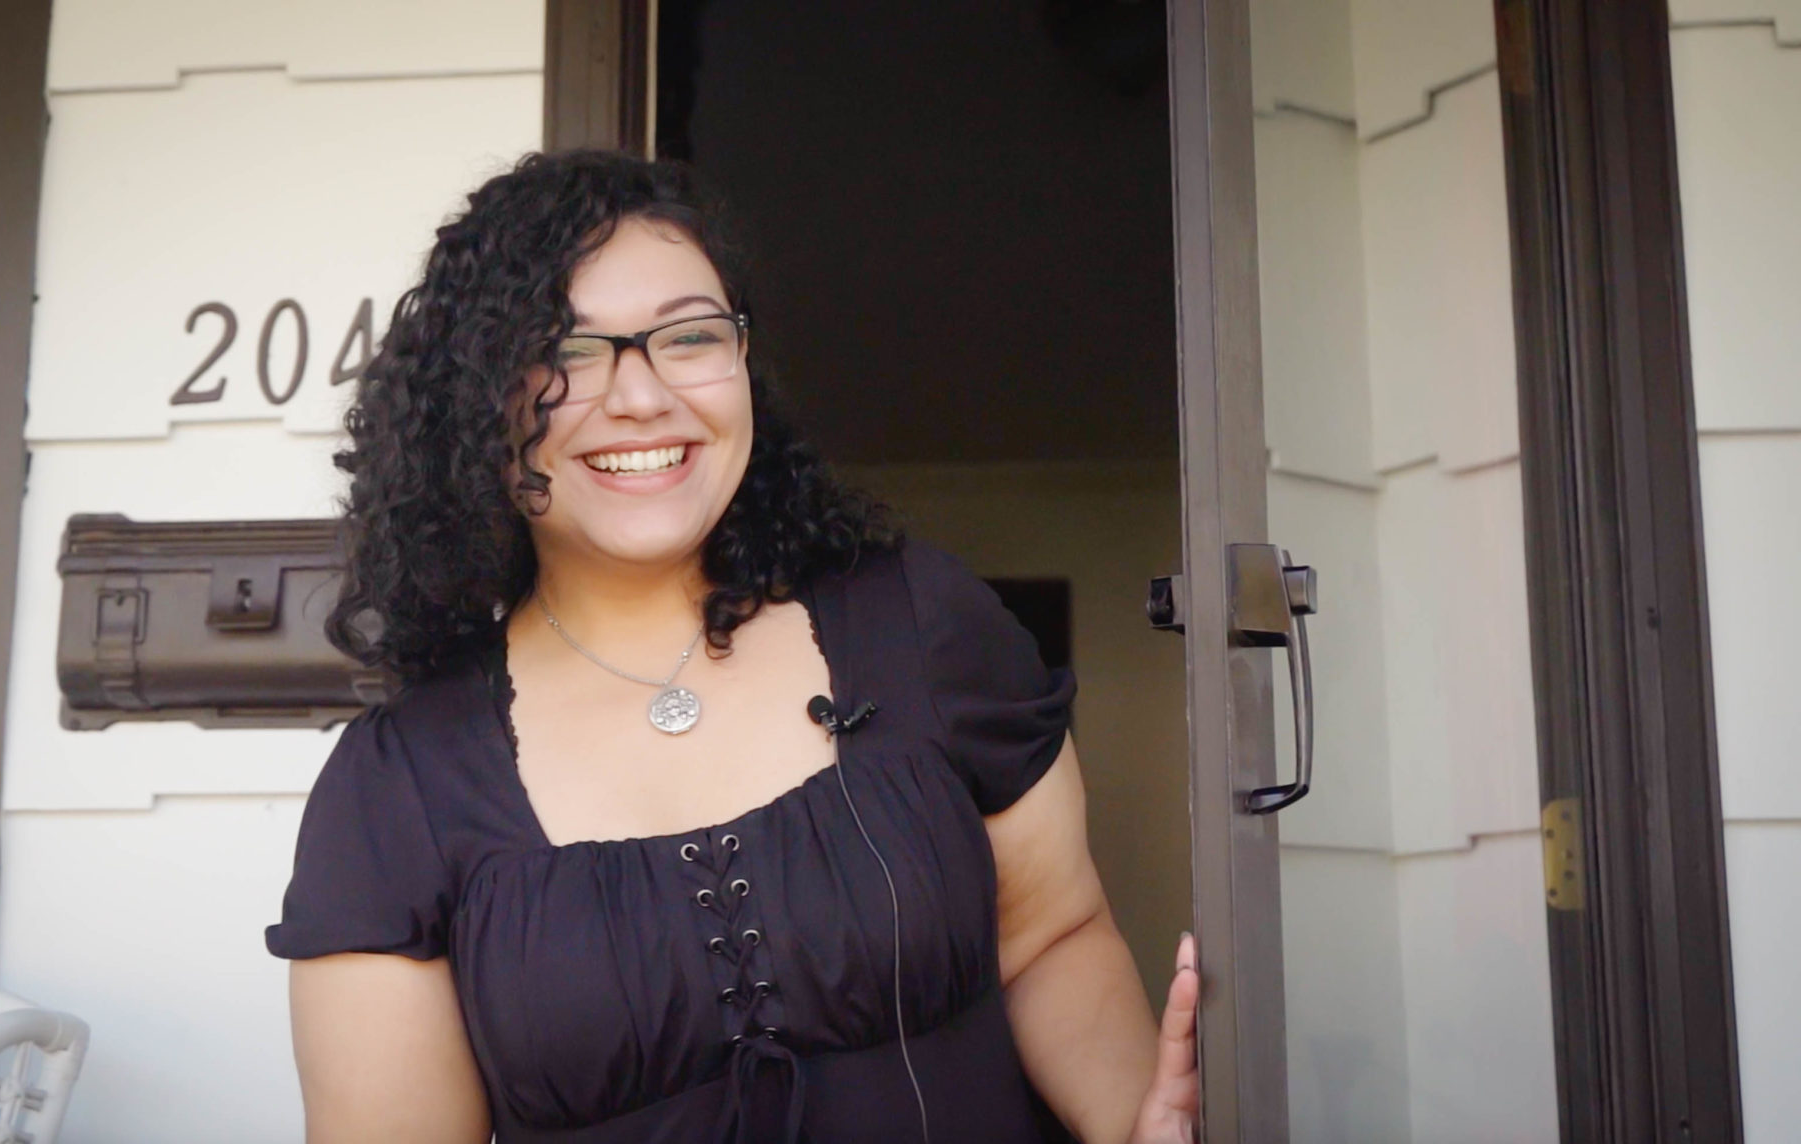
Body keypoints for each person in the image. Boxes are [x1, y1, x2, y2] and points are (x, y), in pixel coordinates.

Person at [265, 150, 1198, 1144]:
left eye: (690, 335)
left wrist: (1130, 1127)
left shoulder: (919, 622)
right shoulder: (396, 786)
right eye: (568, 350)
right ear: (478, 404)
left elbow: (1048, 934)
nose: (641, 395)